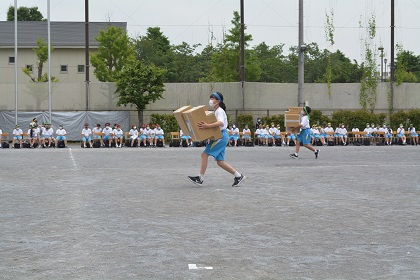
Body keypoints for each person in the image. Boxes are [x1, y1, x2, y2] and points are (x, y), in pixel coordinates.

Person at [188, 92, 245, 187]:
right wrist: (211, 136)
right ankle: (238, 176)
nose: (211, 100)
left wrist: (207, 126)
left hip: (221, 137)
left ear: (218, 101)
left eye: (213, 98)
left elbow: (220, 123)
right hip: (220, 136)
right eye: (210, 98)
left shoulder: (219, 111)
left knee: (204, 155)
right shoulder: (216, 111)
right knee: (220, 162)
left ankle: (200, 178)